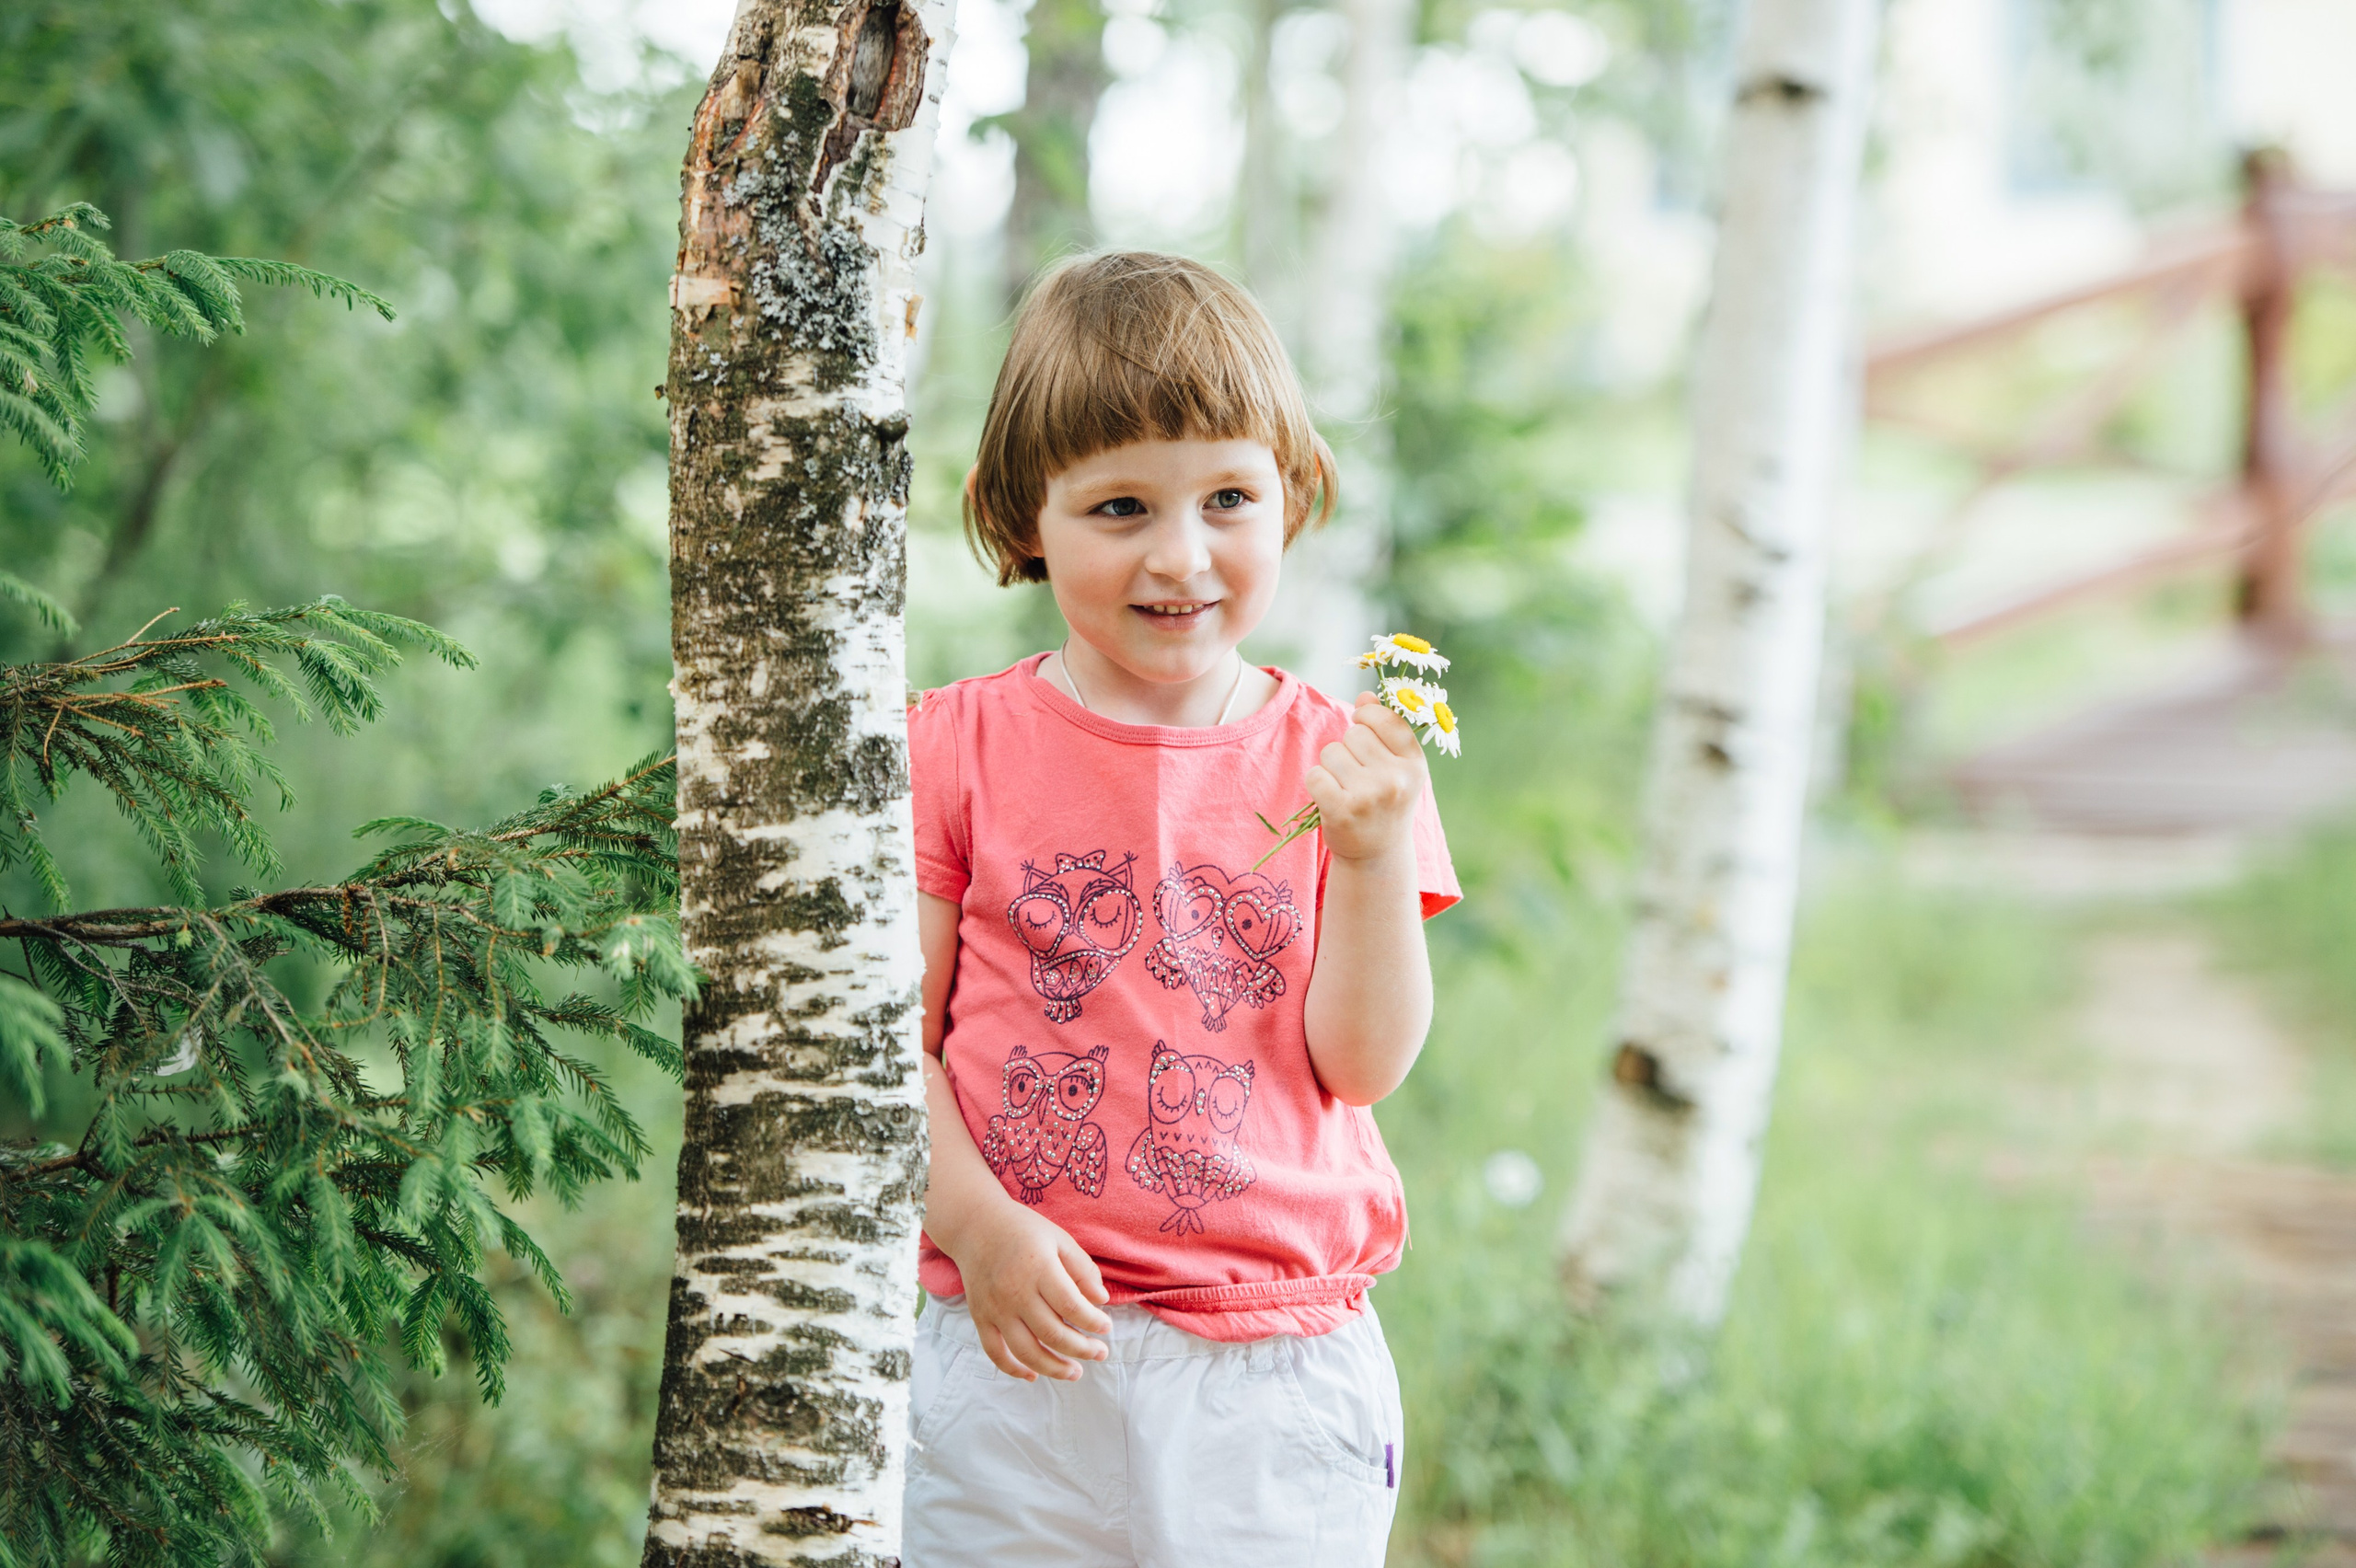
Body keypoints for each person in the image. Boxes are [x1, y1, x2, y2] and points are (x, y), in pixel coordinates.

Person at [903, 250, 1460, 1567]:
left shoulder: (1349, 765)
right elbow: (881, 1050)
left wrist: (1374, 859)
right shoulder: (953, 747)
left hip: (1273, 1364)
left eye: (1227, 497)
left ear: (1294, 496)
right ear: (1020, 514)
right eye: (1118, 508)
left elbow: (1362, 1067)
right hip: (1015, 1345)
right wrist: (978, 1228)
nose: (1181, 555)